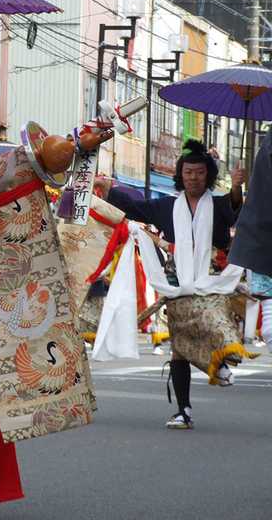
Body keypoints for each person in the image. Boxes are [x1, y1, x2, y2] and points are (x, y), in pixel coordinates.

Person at [95, 139, 246, 430]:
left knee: (211, 319)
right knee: (179, 347)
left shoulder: (217, 205)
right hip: (176, 282)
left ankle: (218, 362)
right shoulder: (166, 206)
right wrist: (108, 187)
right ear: (181, 174)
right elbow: (134, 207)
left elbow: (235, 209)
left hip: (211, 279)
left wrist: (237, 187)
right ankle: (183, 410)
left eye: (200, 172)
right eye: (188, 172)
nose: (193, 177)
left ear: (208, 175)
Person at [228, 127, 272, 351]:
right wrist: (236, 186)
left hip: (260, 245)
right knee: (270, 325)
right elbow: (233, 207)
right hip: (263, 246)